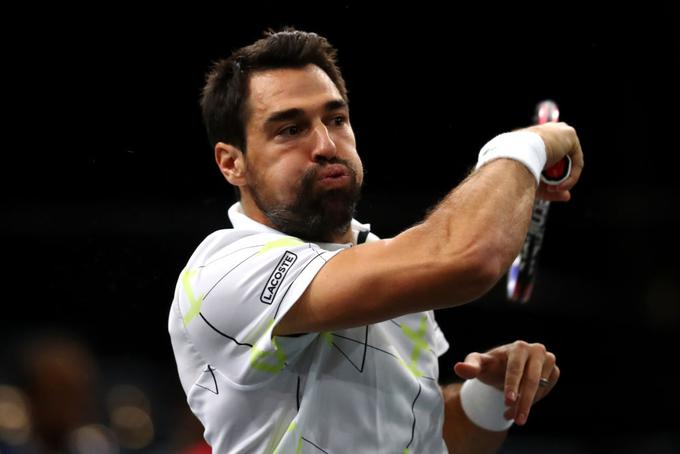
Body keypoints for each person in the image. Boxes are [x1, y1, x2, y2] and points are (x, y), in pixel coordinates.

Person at [168, 28, 583, 453]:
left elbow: (423, 438)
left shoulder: (382, 259)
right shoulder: (223, 274)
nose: (327, 145)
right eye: (290, 129)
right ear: (232, 163)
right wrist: (521, 147)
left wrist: (491, 396)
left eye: (336, 119)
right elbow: (467, 257)